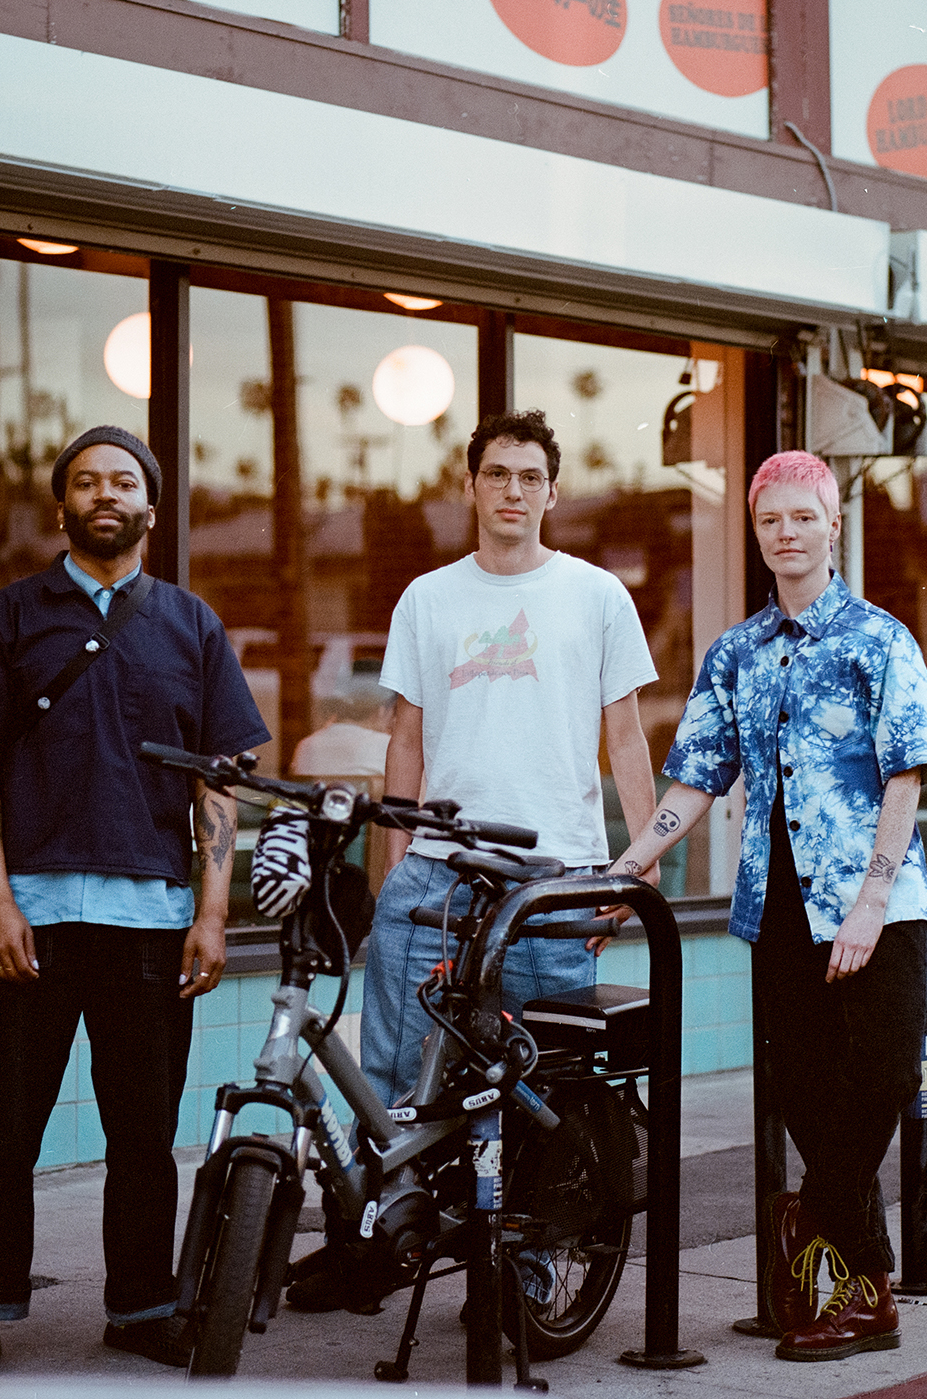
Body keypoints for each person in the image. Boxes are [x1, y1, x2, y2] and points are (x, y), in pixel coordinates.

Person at [287, 409, 660, 1312]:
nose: (513, 490)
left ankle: (526, 1261)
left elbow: (624, 735)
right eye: (497, 473)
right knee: (392, 1075)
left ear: (552, 493)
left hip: (556, 878)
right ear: (470, 487)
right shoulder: (428, 597)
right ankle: (374, 1246)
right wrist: (393, 866)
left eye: (530, 476)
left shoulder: (597, 595)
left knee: (538, 1077)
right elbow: (405, 739)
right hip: (438, 872)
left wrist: (640, 863)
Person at [0, 426, 267, 1376]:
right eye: (85, 481)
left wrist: (213, 913)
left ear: (150, 506)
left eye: (122, 480)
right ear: (61, 505)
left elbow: (219, 779)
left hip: (151, 924)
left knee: (144, 1135)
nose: (104, 493)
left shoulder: (191, 625)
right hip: (26, 916)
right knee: (6, 1126)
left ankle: (142, 1306)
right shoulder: (10, 617)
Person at [611, 448, 927, 1363]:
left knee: (885, 1072)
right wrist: (631, 865)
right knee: (807, 1094)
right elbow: (696, 776)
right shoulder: (736, 653)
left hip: (880, 900)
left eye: (804, 516)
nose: (787, 532)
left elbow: (908, 772)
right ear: (757, 533)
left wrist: (871, 898)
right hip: (779, 908)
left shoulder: (880, 638)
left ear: (834, 524)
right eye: (771, 520)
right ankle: (868, 1296)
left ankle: (808, 1221)